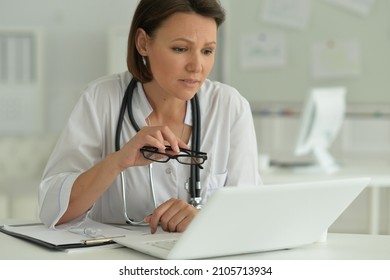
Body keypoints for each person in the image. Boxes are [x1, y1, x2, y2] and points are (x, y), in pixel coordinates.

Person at [39, 0, 261, 234]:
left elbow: (251, 212)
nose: (197, 66)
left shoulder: (229, 105)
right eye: (180, 49)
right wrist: (118, 161)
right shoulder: (101, 98)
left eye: (207, 51)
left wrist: (202, 219)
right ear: (143, 43)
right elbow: (53, 210)